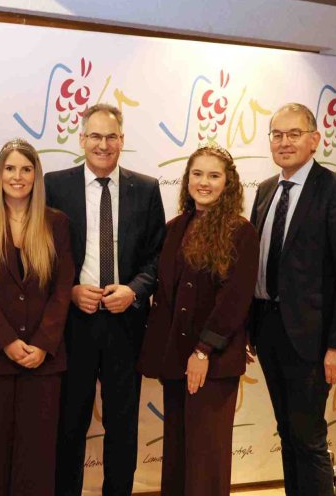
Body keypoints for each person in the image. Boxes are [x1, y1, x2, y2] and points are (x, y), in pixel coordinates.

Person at [45, 103, 166, 495]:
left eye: (111, 136)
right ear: (81, 140)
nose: (103, 144)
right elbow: (40, 254)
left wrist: (133, 291)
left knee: (123, 426)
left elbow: (157, 257)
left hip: (125, 324)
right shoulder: (54, 185)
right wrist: (70, 291)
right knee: (69, 424)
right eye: (95, 136)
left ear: (122, 141)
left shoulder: (145, 188)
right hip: (73, 324)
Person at [250, 103, 336, 496]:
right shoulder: (265, 190)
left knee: (309, 436)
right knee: (288, 431)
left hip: (313, 341)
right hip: (267, 330)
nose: (285, 142)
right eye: (277, 135)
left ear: (314, 140)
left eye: (294, 134)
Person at [137, 144, 259, 495]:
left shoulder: (241, 232)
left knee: (207, 457)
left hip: (214, 362)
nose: (203, 182)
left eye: (213, 175)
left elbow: (235, 300)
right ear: (187, 179)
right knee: (177, 453)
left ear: (228, 183)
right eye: (197, 174)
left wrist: (203, 351)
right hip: (175, 359)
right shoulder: (174, 228)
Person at [0, 139, 75, 495]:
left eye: (26, 169)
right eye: (10, 168)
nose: (18, 176)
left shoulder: (56, 223)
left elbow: (63, 287)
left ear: (36, 176)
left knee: (38, 455)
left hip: (44, 361)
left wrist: (42, 344)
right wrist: (8, 342)